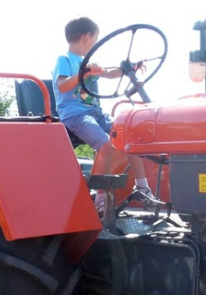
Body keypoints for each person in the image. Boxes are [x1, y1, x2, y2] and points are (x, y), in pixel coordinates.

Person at [52, 17, 152, 211]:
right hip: (75, 114)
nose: (95, 43)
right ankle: (100, 197)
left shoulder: (87, 62)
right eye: (96, 39)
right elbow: (62, 85)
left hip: (95, 113)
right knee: (106, 145)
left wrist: (130, 68)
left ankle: (142, 187)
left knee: (130, 135)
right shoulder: (64, 60)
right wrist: (84, 74)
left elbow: (109, 73)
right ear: (87, 37)